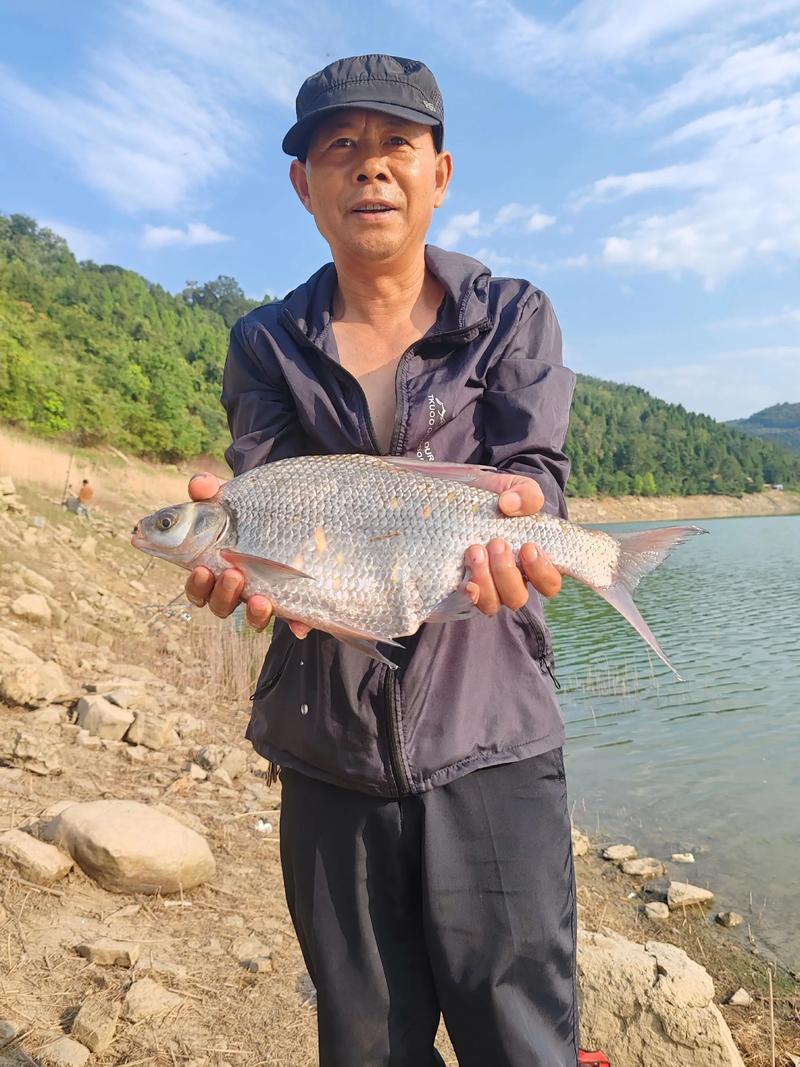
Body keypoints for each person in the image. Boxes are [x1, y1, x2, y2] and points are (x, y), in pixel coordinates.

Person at [187, 55, 580, 1066]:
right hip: (325, 743)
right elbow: (269, 501)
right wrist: (249, 574)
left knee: (520, 1031)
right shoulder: (264, 342)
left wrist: (532, 526)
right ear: (303, 185)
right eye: (340, 148)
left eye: (394, 145)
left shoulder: (510, 314)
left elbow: (534, 475)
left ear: (438, 174)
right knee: (364, 1040)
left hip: (493, 735)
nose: (370, 168)